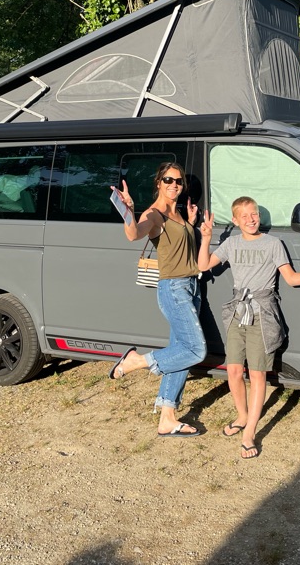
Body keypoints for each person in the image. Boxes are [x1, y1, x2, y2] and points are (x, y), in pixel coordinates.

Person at [197, 196, 300, 459]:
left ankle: (249, 432)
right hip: (237, 312)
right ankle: (242, 416)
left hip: (262, 312)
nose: (251, 219)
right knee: (234, 371)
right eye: (245, 216)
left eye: (255, 214)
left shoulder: (273, 244)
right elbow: (203, 266)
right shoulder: (231, 243)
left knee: (257, 374)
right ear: (235, 220)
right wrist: (206, 238)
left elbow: (290, 278)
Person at [108, 162, 207, 438]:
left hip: (191, 287)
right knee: (196, 350)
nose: (174, 185)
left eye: (178, 181)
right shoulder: (154, 214)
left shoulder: (178, 213)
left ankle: (167, 418)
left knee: (180, 351)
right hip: (174, 288)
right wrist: (129, 211)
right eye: (168, 180)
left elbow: (181, 248)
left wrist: (190, 224)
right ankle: (135, 361)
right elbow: (133, 234)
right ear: (158, 183)